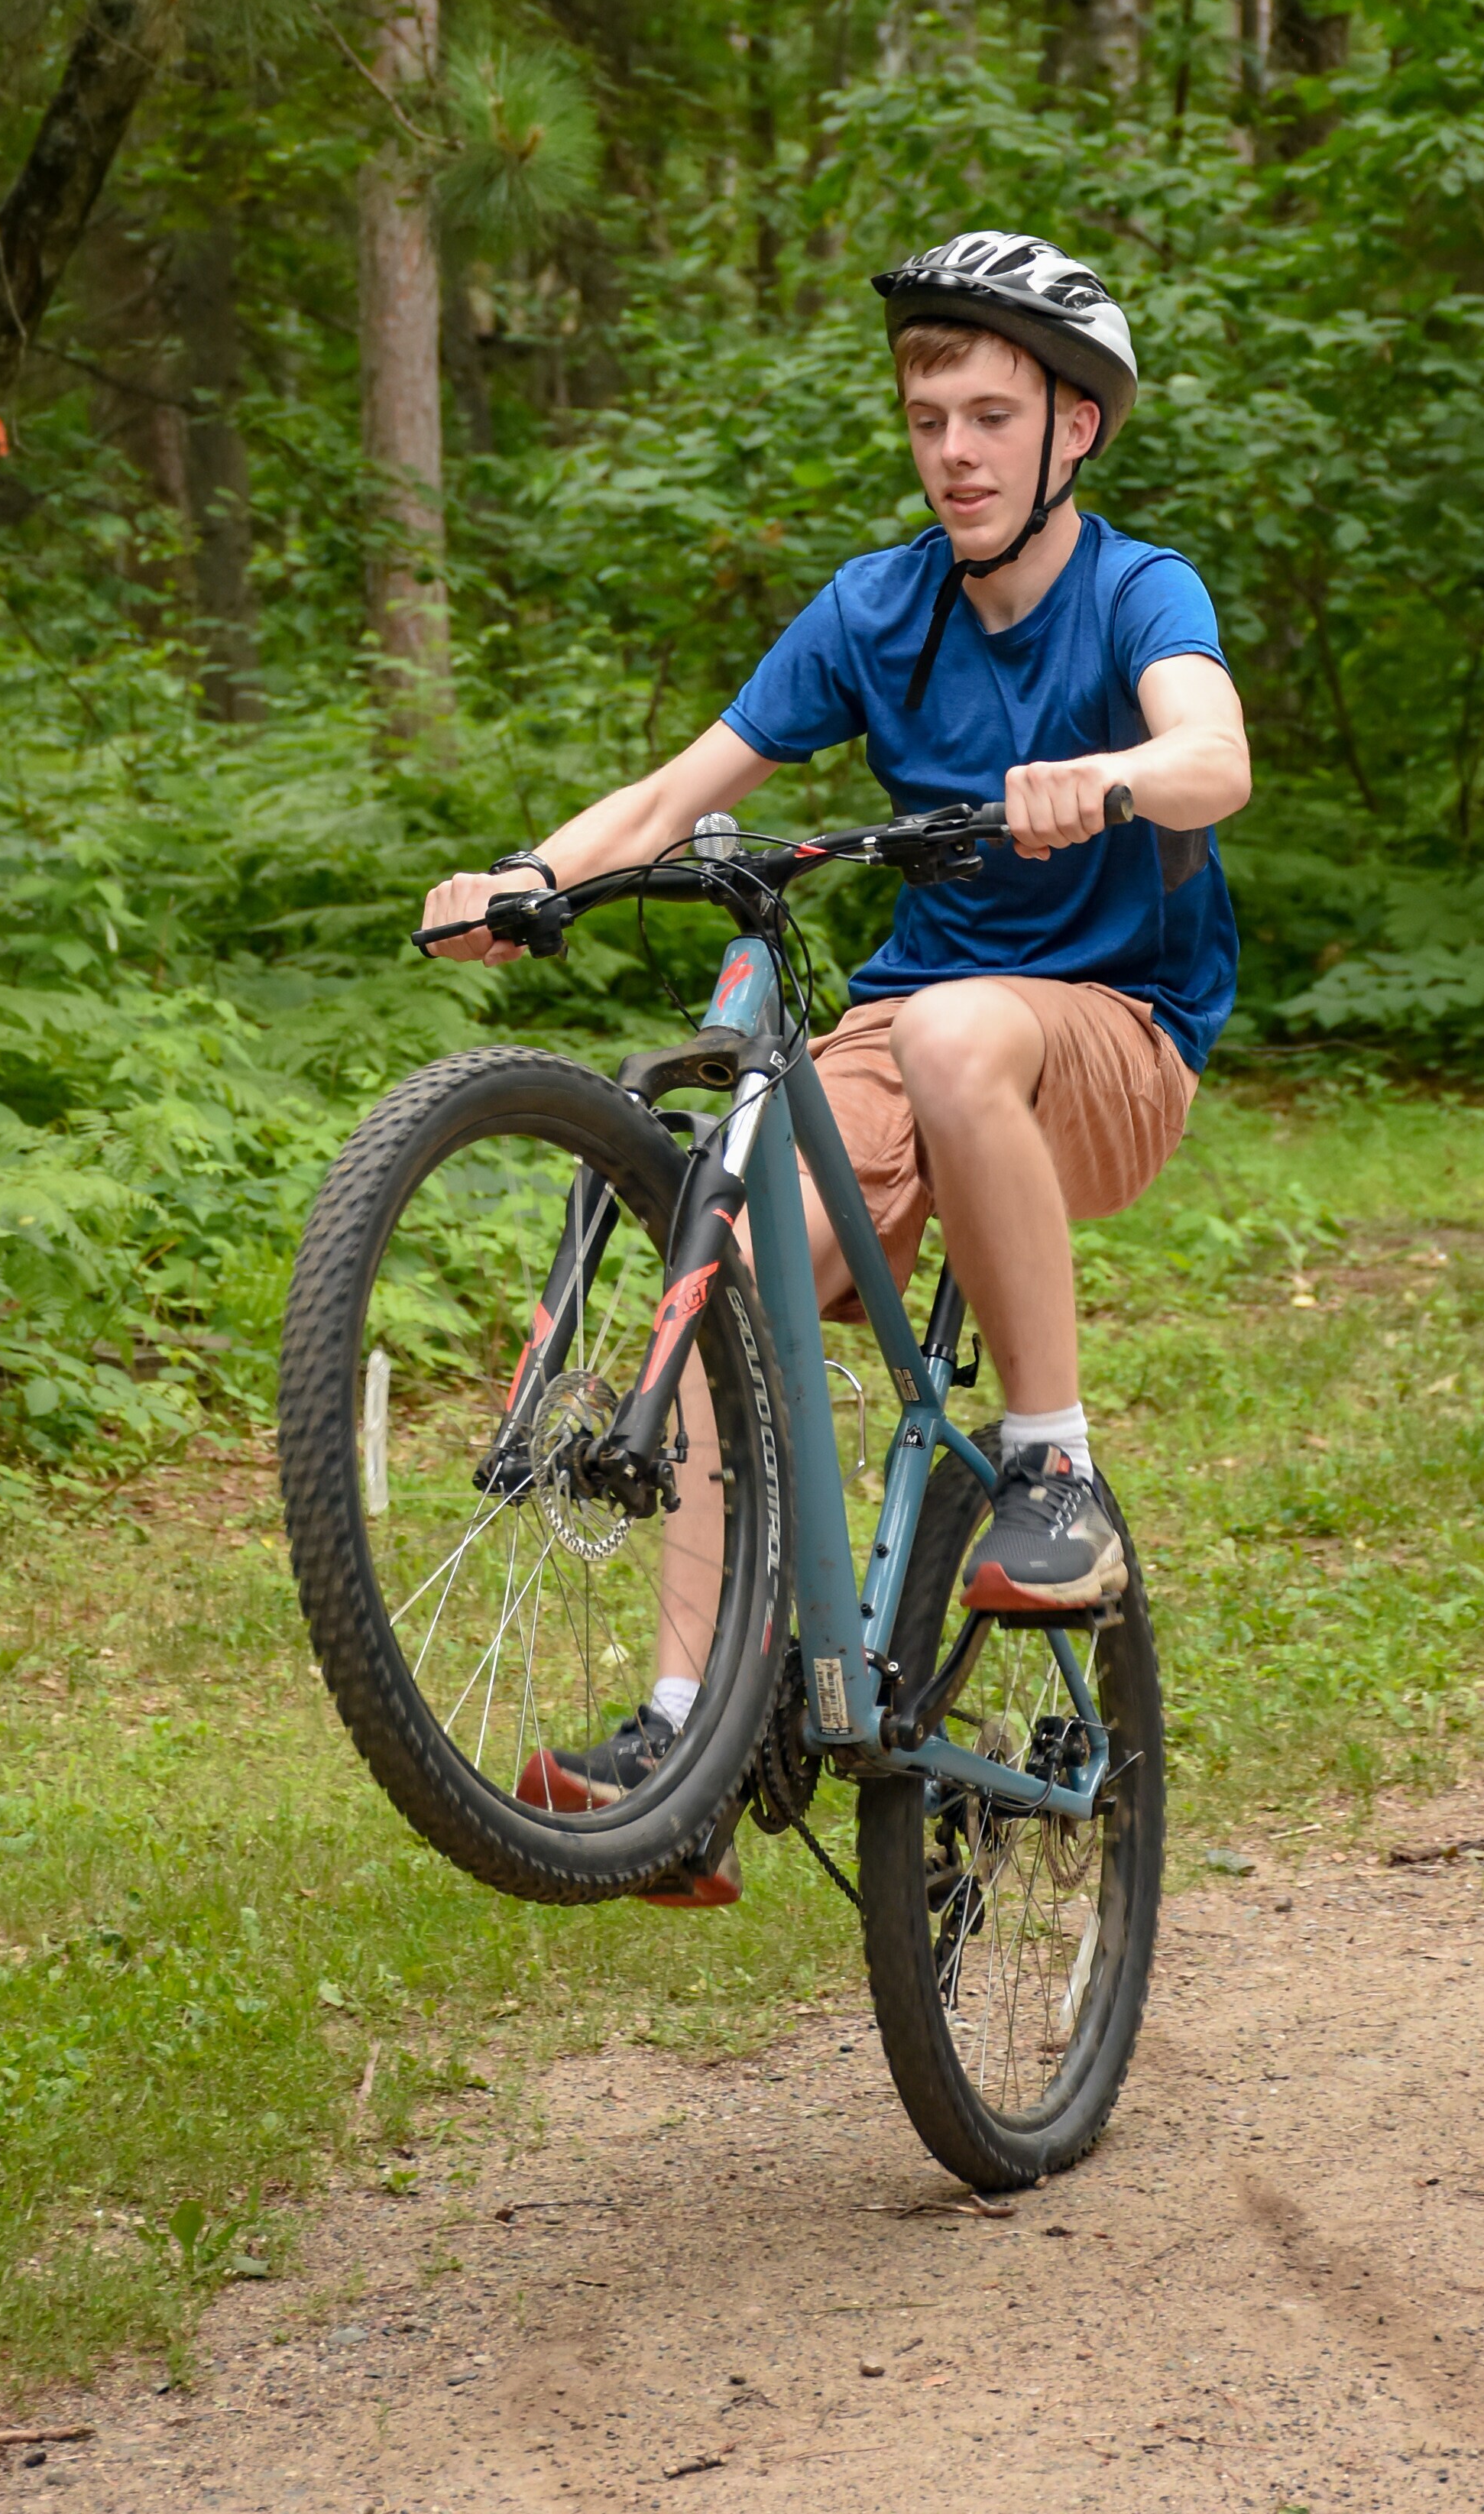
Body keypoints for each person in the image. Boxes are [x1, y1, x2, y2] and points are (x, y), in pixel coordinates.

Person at [420, 231, 1252, 1854]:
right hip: (918, 1028)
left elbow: (1213, 751)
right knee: (711, 1253)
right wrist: (531, 875)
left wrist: (1120, 777)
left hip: (1109, 1040)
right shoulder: (879, 609)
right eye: (930, 414)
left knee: (949, 1033)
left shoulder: (1137, 589)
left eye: (993, 415)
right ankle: (693, 1734)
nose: (955, 450)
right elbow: (680, 792)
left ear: (1074, 426)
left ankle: (1053, 1473)